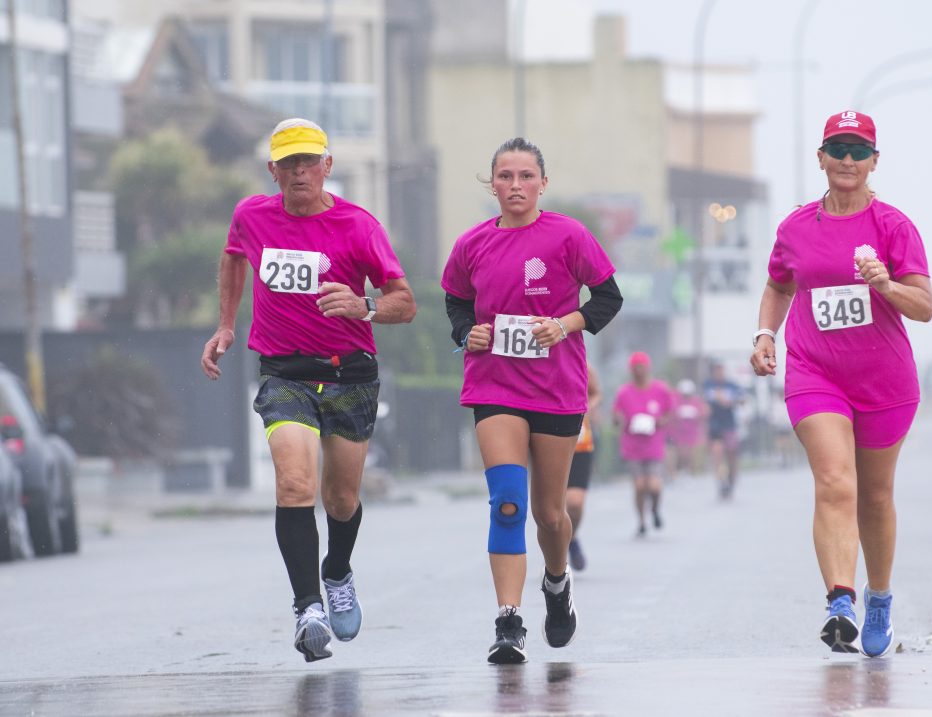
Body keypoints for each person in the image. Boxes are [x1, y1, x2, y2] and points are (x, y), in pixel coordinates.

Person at [200, 118, 416, 662]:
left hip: (350, 373)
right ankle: (306, 607)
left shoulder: (358, 226)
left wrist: (364, 306)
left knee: (340, 498)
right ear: (273, 171)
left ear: (327, 167)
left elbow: (404, 302)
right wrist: (227, 324)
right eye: (288, 163)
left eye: (308, 162)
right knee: (294, 480)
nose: (300, 172)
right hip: (284, 372)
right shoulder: (252, 215)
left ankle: (337, 571)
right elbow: (232, 257)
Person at [750, 110, 932, 657]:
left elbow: (923, 306)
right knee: (834, 481)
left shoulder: (893, 226)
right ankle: (840, 601)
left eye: (859, 151)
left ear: (875, 161)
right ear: (821, 157)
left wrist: (885, 283)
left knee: (874, 497)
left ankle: (878, 598)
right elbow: (778, 285)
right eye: (838, 149)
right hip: (815, 372)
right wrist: (766, 334)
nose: (848, 160)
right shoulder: (796, 227)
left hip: (884, 380)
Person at [442, 137, 622, 665]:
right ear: (491, 184)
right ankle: (508, 620)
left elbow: (609, 296)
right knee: (507, 503)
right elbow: (455, 301)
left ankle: (557, 581)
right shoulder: (472, 243)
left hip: (555, 390)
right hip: (494, 386)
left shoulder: (568, 235)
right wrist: (465, 334)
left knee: (549, 513)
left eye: (525, 176)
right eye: (504, 176)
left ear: (543, 182)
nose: (515, 186)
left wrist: (565, 324)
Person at [612, 352, 673, 536]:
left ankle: (654, 509)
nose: (639, 371)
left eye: (642, 367)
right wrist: (619, 419)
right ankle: (641, 520)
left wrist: (661, 421)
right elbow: (616, 415)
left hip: (653, 445)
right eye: (635, 367)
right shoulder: (624, 392)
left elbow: (669, 412)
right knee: (639, 486)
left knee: (654, 485)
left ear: (648, 368)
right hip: (632, 445)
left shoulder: (660, 390)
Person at [567, 363, 601, 572]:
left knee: (575, 503)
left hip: (580, 442)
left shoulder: (583, 364)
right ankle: (556, 553)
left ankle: (569, 539)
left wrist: (587, 408)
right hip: (545, 439)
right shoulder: (535, 353)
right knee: (551, 508)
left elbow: (596, 393)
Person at [703, 362, 744, 499]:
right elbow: (705, 402)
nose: (719, 374)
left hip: (729, 425)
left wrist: (732, 401)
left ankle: (731, 480)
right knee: (717, 453)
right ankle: (721, 480)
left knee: (731, 454)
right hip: (715, 425)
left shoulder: (731, 385)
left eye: (721, 371)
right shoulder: (708, 385)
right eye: (717, 371)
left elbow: (741, 399)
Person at [667, 379, 708, 479]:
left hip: (692, 434)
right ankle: (677, 471)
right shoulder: (675, 400)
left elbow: (703, 413)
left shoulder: (696, 402)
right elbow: (671, 414)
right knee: (679, 453)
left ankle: (690, 470)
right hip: (678, 433)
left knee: (690, 453)